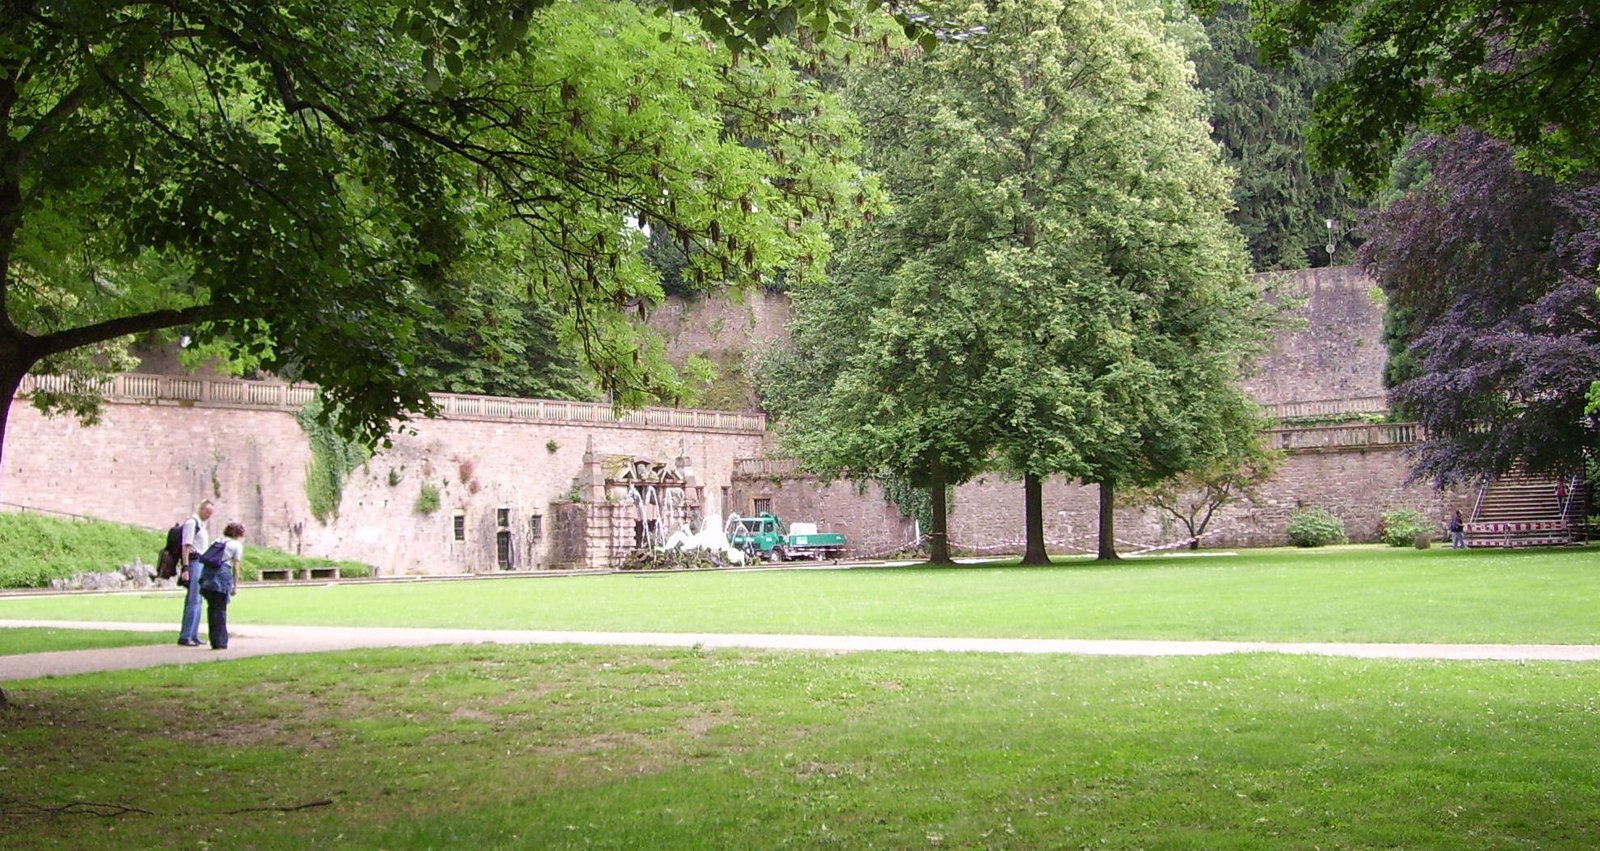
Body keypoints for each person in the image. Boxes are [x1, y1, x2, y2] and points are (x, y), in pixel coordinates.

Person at [197, 522, 245, 650]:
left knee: (212, 609)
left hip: (207, 575)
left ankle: (215, 640)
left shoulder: (217, 541)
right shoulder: (236, 545)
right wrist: (235, 585)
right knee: (220, 609)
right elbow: (235, 566)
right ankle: (220, 641)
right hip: (221, 576)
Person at [176, 500, 214, 646]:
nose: (209, 515)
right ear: (201, 509)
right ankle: (186, 635)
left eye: (211, 513)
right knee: (193, 599)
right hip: (194, 562)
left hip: (201, 562)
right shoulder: (192, 523)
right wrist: (185, 568)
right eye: (207, 511)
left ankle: (193, 633)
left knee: (198, 599)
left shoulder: (202, 525)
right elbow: (185, 547)